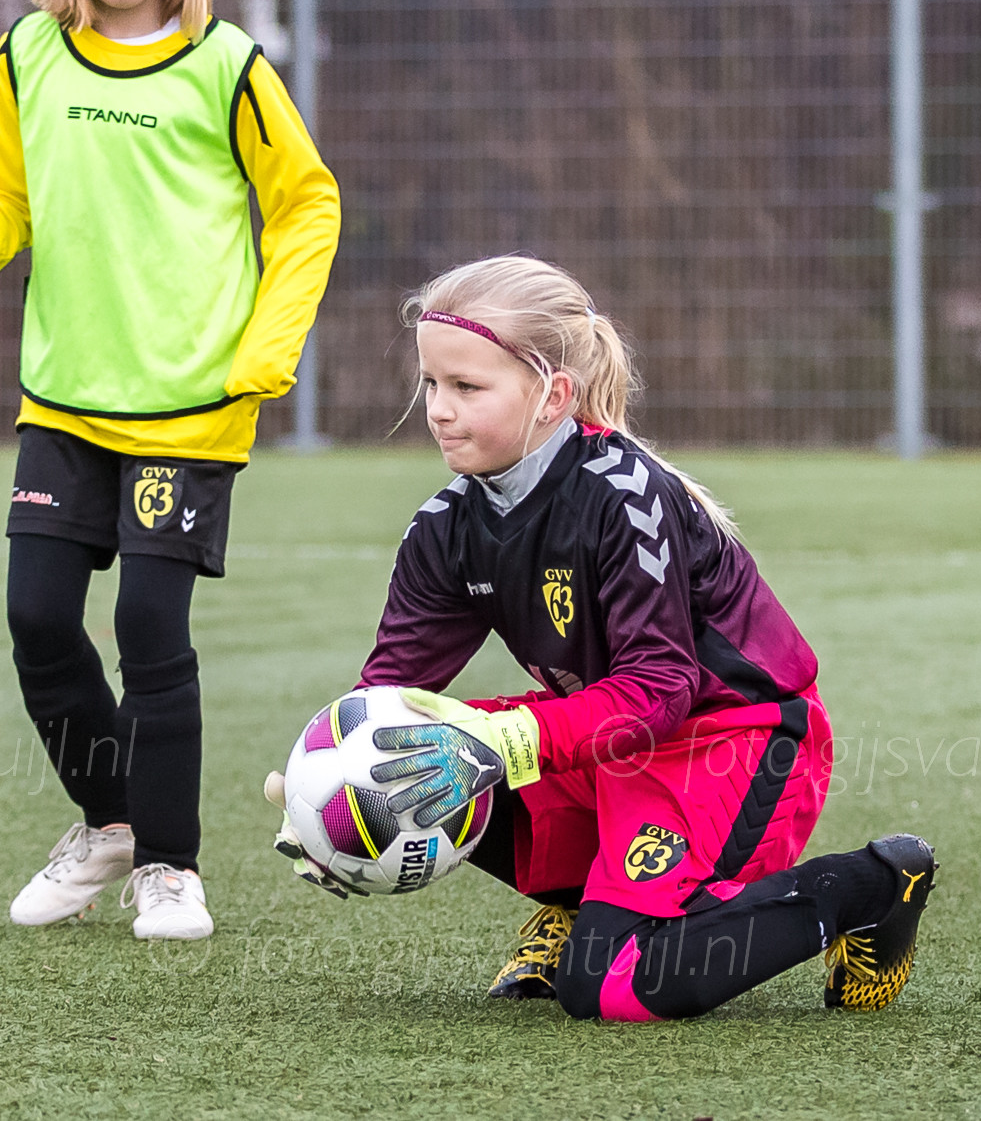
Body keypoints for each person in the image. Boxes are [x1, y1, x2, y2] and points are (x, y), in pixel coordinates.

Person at [269, 255, 935, 1019]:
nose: (439, 411)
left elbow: (661, 689)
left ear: (553, 395)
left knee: (617, 985)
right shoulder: (443, 528)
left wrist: (503, 742)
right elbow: (389, 698)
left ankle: (873, 885)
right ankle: (583, 901)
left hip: (731, 739)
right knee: (417, 746)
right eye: (431, 385)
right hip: (611, 735)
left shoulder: (625, 497)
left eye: (467, 387)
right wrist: (329, 796)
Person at [0, 0, 339, 941]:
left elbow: (306, 204)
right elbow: (1, 185)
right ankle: (109, 821)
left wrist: (267, 347)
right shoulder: (24, 53)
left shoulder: (227, 65)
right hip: (63, 399)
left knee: (150, 630)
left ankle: (169, 864)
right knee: (36, 618)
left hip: (189, 405)